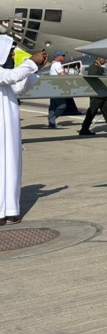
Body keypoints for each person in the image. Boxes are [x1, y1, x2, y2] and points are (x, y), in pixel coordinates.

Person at [1, 37, 45, 225]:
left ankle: (10, 208)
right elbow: (10, 77)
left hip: (9, 128)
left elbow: (19, 87)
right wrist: (30, 63)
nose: (12, 53)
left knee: (12, 164)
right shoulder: (3, 73)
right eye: (9, 50)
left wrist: (36, 69)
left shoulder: (6, 71)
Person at [78, 57, 107, 135]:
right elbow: (94, 78)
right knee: (92, 112)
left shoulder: (98, 67)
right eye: (104, 59)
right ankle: (84, 129)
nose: (106, 60)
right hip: (96, 94)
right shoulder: (94, 67)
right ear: (99, 59)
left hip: (103, 94)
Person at [46, 50, 68, 128]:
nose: (64, 57)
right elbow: (62, 75)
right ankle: (52, 119)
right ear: (58, 57)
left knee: (53, 106)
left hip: (53, 88)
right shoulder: (58, 65)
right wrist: (67, 74)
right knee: (62, 105)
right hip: (57, 88)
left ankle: (51, 123)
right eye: (63, 55)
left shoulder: (53, 64)